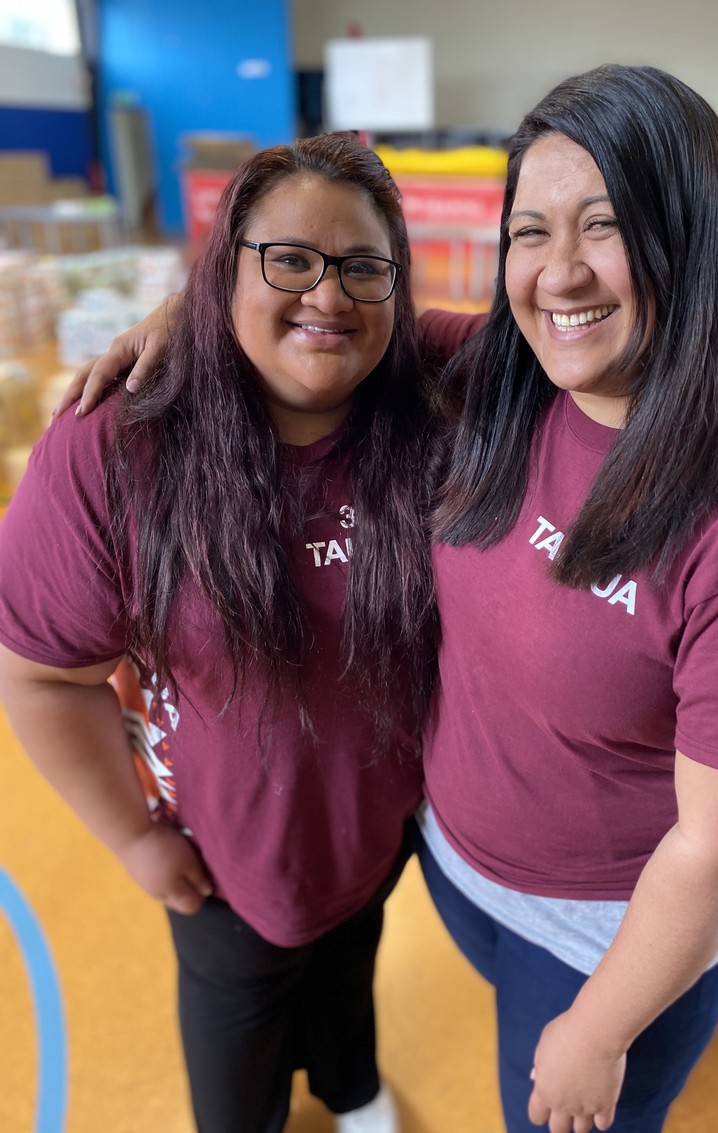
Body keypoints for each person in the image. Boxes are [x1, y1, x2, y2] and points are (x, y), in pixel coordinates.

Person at [57, 66, 718, 1133]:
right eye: (529, 231)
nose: (558, 273)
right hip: (452, 869)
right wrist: (193, 311)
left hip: (595, 943)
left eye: (604, 225)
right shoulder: (501, 372)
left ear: (694, 235)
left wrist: (599, 1028)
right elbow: (318, 314)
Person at [0, 134, 442, 1133]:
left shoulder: (424, 417)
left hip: (373, 832)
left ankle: (350, 1084)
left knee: (346, 964)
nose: (327, 295)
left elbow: (543, 338)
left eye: (361, 267)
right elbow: (41, 679)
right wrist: (130, 839)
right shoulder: (115, 441)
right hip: (219, 859)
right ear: (224, 263)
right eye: (288, 258)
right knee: (238, 1036)